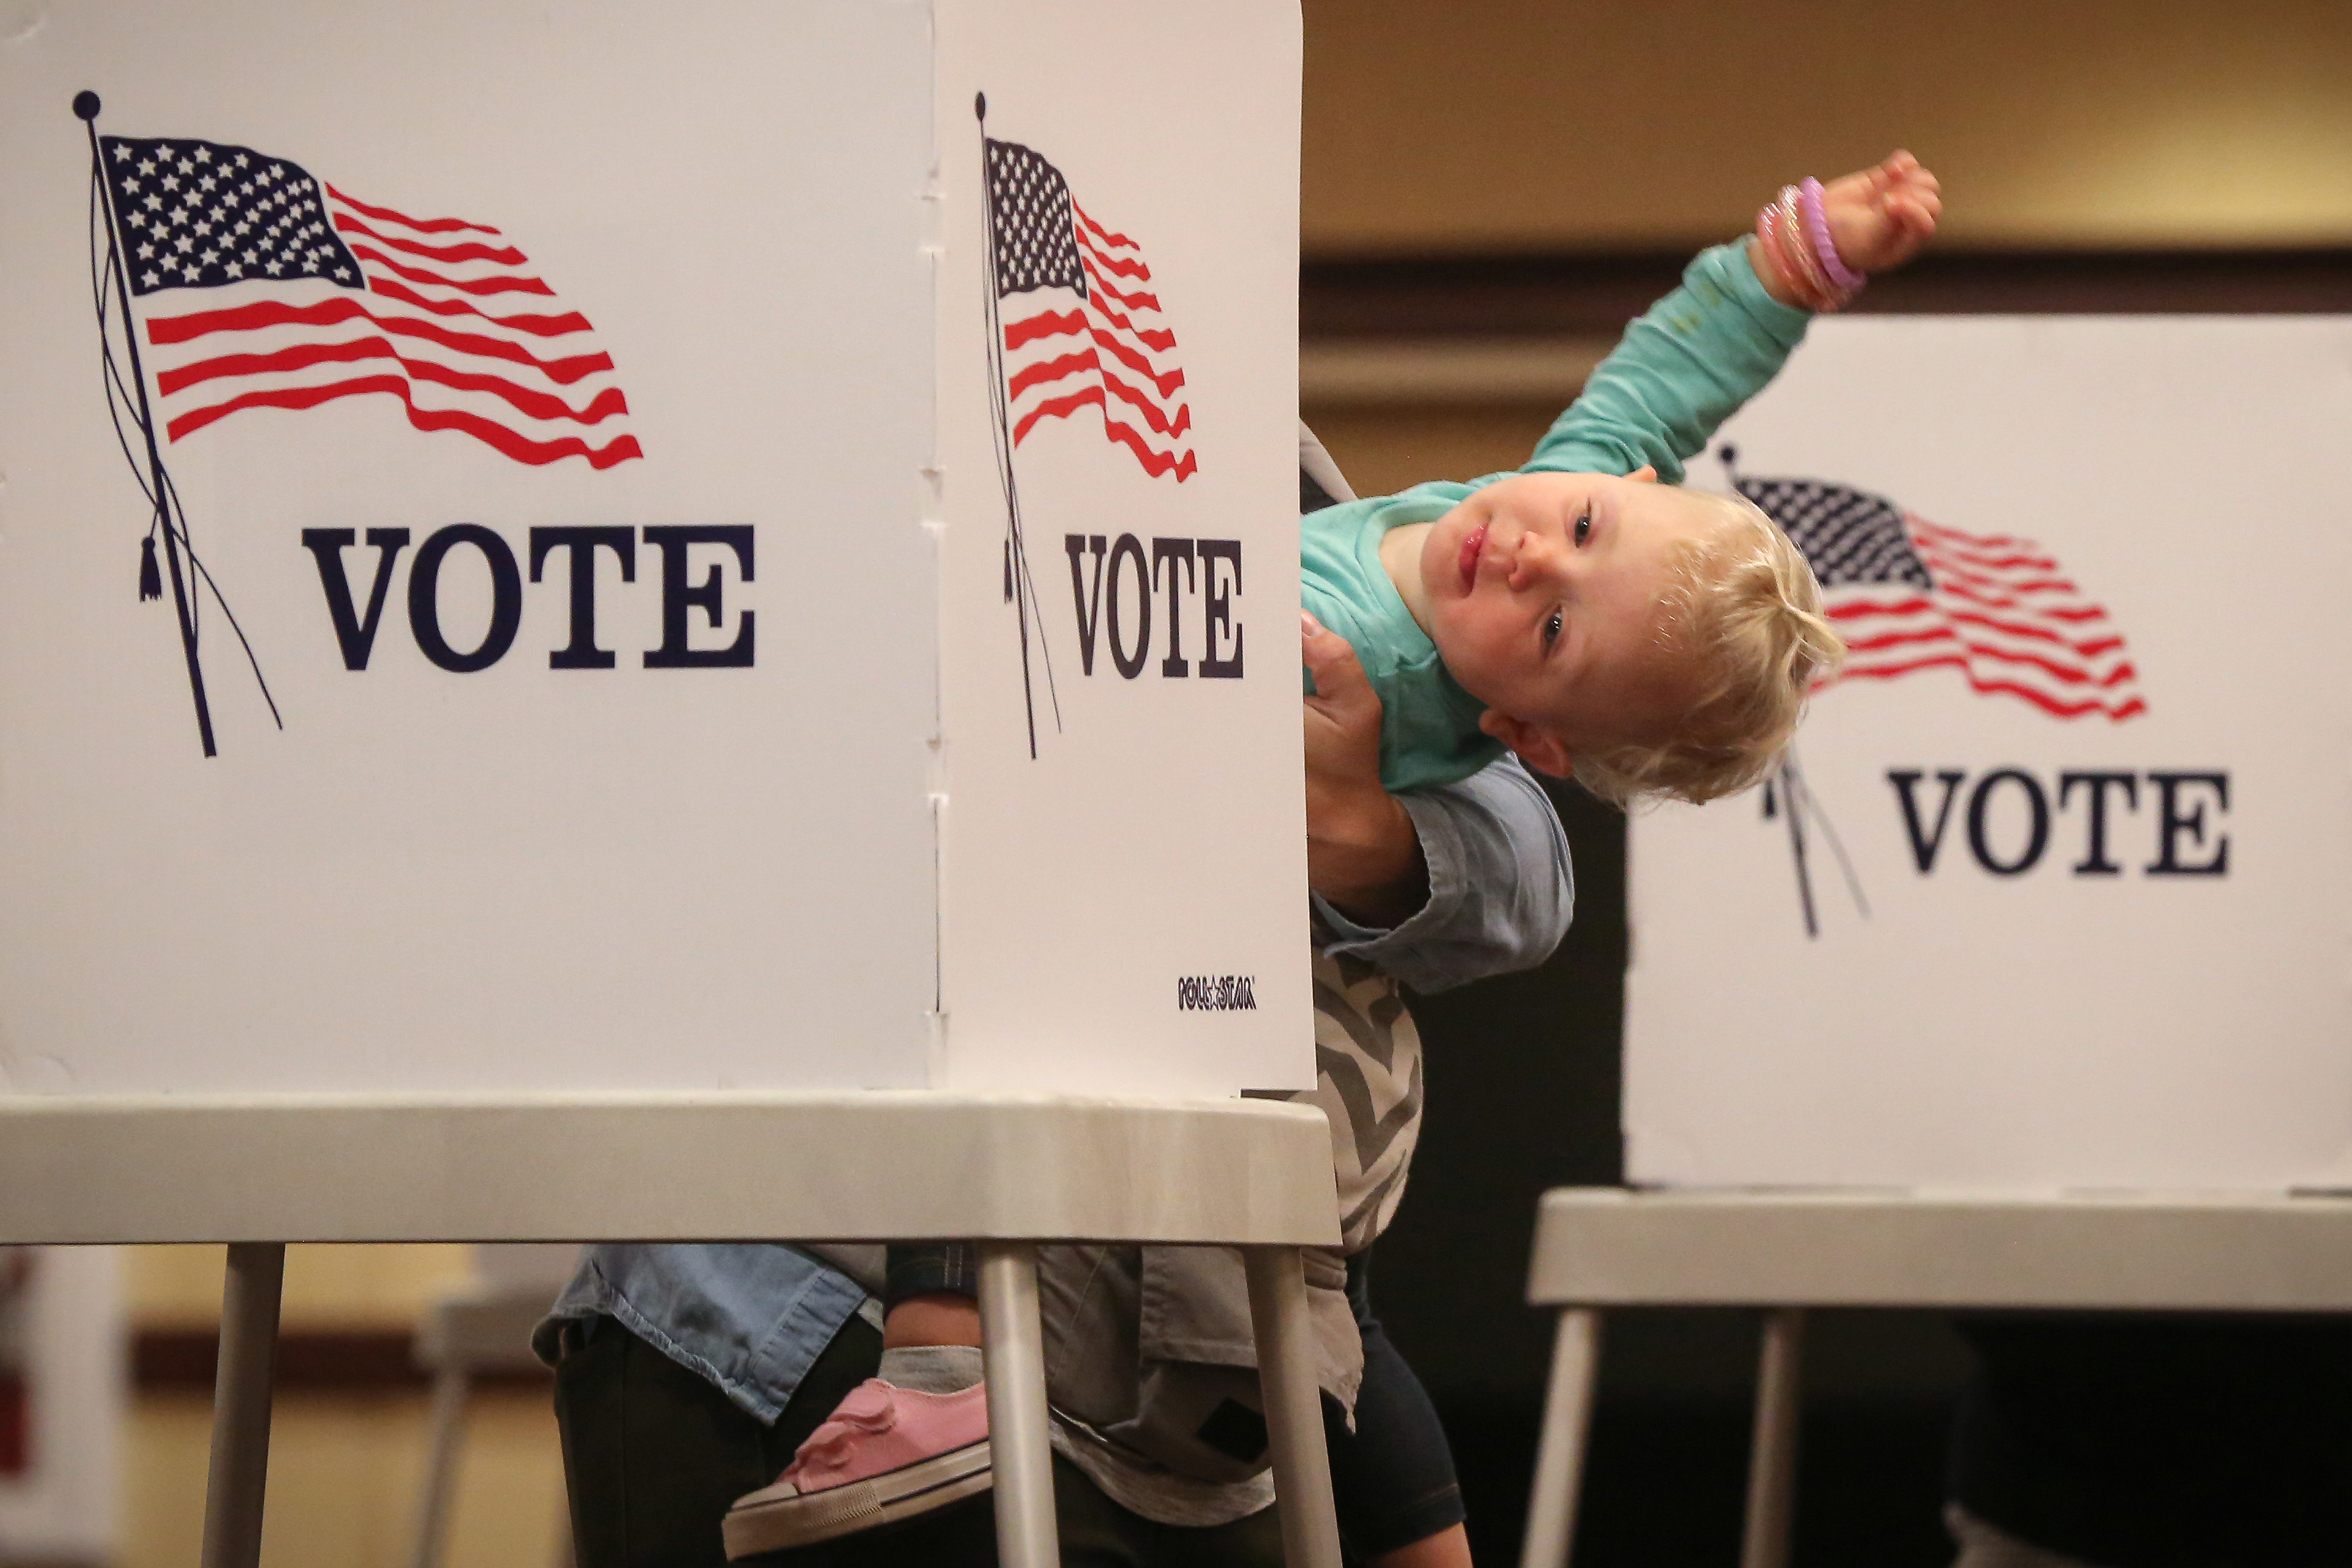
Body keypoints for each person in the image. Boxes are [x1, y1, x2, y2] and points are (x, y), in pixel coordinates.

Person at [724, 154, 1942, 1566]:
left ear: (1520, 735)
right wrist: (1805, 261)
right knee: (1335, 1325)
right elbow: (1674, 371)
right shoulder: (1546, 490)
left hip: (1183, 984)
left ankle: (938, 1369)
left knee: (1024, 1098)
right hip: (1262, 1100)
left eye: (1556, 634)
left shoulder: (1385, 679)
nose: (1533, 558)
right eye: (1590, 522)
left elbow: (1481, 872)